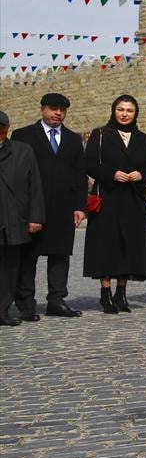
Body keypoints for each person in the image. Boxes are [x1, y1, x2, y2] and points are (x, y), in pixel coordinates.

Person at [11, 92, 85, 319]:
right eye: (53, 108)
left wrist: (80, 206)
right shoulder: (23, 136)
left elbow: (80, 175)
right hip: (32, 207)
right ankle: (26, 303)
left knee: (60, 255)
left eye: (62, 110)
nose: (58, 113)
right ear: (42, 109)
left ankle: (56, 300)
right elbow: (16, 173)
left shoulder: (73, 139)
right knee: (28, 256)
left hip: (63, 207)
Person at [83, 95, 146, 314]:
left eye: (129, 110)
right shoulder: (100, 134)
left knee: (129, 245)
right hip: (108, 197)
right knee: (107, 245)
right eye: (121, 109)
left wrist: (140, 175)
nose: (125, 114)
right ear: (114, 111)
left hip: (134, 199)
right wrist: (111, 174)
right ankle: (105, 292)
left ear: (136, 113)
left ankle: (121, 293)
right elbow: (89, 164)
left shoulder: (142, 138)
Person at [0, 111, 45, 326]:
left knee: (9, 270)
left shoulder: (22, 151)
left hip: (13, 219)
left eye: (2, 127)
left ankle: (2, 310)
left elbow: (34, 186)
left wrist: (36, 217)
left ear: (7, 129)